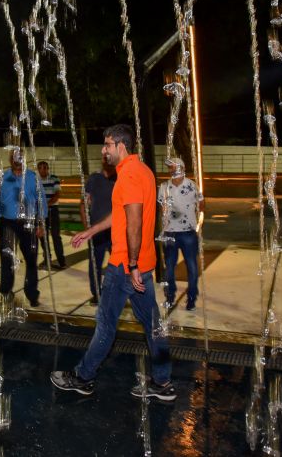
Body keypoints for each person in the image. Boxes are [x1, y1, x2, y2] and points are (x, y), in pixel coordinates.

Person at [51, 124, 175, 402]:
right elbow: (121, 215)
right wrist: (92, 230)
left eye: (107, 144)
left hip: (124, 266)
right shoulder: (142, 171)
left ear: (121, 146)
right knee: (153, 325)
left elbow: (133, 221)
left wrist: (130, 265)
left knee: (106, 325)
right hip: (144, 265)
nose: (103, 150)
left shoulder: (129, 175)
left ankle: (83, 377)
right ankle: (163, 382)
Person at [0, 149, 47, 307]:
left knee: (31, 260)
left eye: (20, 157)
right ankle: (5, 291)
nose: (17, 160)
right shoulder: (3, 178)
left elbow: (41, 201)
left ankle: (32, 294)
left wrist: (41, 223)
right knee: (7, 259)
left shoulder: (33, 177)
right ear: (10, 159)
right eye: (14, 157)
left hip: (29, 223)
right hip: (7, 224)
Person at [159, 157, 205, 311]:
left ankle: (192, 297)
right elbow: (162, 207)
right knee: (169, 267)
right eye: (169, 167)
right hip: (170, 233)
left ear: (181, 168)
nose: (170, 169)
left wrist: (196, 222)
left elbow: (202, 204)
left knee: (191, 266)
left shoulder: (192, 185)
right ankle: (170, 296)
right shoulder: (164, 186)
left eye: (173, 166)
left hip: (188, 234)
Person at [81, 157, 116, 305]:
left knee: (120, 264)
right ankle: (96, 293)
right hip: (97, 231)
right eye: (105, 159)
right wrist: (87, 228)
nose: (107, 161)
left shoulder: (121, 178)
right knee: (95, 264)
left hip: (116, 231)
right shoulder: (94, 179)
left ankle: (118, 292)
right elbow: (83, 203)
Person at [37, 161, 66, 270]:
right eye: (40, 168)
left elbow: (57, 194)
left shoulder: (54, 178)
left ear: (48, 169)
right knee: (43, 236)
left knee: (55, 236)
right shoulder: (36, 181)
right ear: (38, 169)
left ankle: (61, 261)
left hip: (52, 210)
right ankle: (47, 259)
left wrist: (47, 204)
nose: (43, 170)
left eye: (45, 168)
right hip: (41, 212)